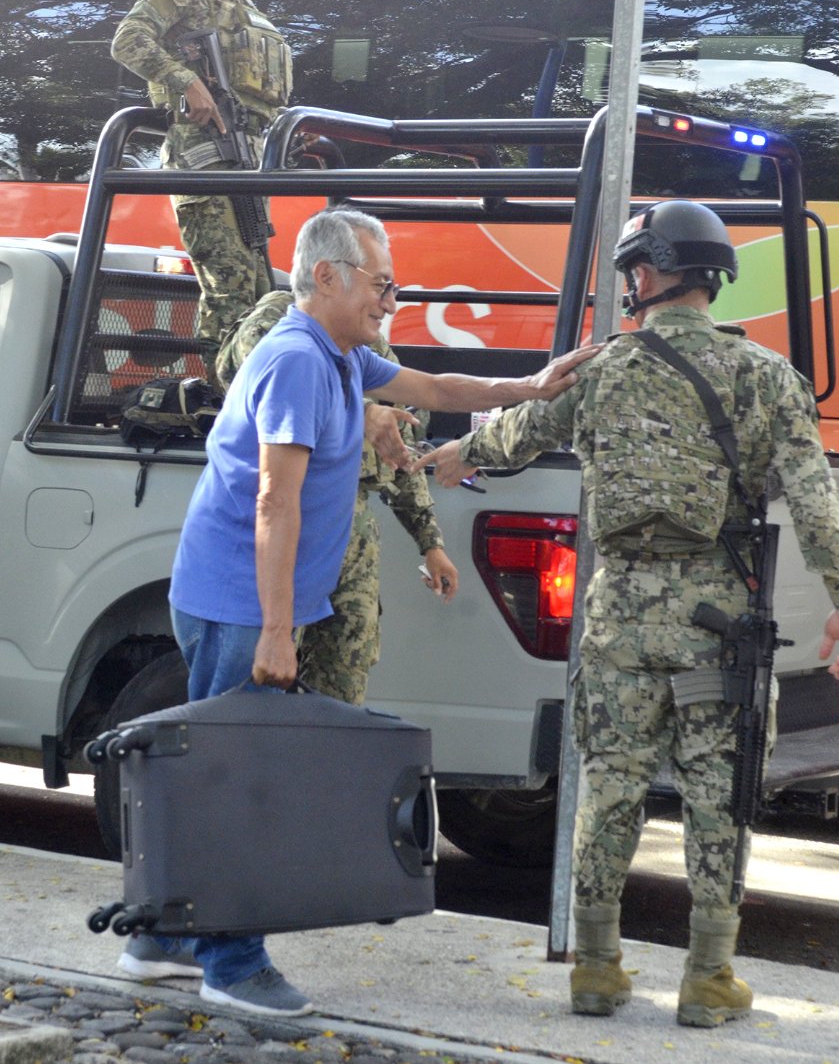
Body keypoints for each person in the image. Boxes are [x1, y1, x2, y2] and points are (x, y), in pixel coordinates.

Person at [117, 206, 597, 1018]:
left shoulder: (341, 356)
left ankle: (159, 941)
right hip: (239, 602)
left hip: (248, 598)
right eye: (383, 284)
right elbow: (275, 499)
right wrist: (276, 630)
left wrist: (531, 382)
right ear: (328, 276)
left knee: (212, 769)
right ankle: (230, 962)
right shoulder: (300, 361)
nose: (391, 299)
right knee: (242, 777)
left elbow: (437, 387)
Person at [412, 200, 839, 1029]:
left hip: (614, 618)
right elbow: (818, 509)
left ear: (645, 275)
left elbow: (514, 437)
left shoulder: (602, 369)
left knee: (607, 788)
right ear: (711, 277)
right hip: (716, 626)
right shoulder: (767, 378)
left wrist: (444, 457)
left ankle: (599, 969)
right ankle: (708, 976)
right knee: (718, 797)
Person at [216, 288, 459, 704]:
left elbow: (401, 454)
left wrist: (430, 543)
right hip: (291, 523)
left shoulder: (372, 349)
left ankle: (322, 764)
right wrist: (360, 408)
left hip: (354, 530)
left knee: (345, 673)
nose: (387, 303)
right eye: (378, 284)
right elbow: (249, 370)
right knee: (258, 681)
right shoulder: (280, 318)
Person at [111, 0, 292, 379]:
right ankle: (225, 402)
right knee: (230, 288)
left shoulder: (245, 6)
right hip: (203, 158)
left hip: (248, 161)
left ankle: (242, 395)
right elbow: (129, 39)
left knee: (260, 290)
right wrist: (184, 80)